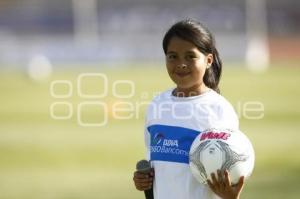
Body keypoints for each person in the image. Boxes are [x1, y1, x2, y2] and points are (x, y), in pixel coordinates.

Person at [133, 19, 244, 199]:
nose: (181, 63)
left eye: (190, 56)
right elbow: (157, 168)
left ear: (208, 60)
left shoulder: (220, 110)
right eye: (173, 56)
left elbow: (232, 173)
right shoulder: (157, 105)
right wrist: (143, 180)